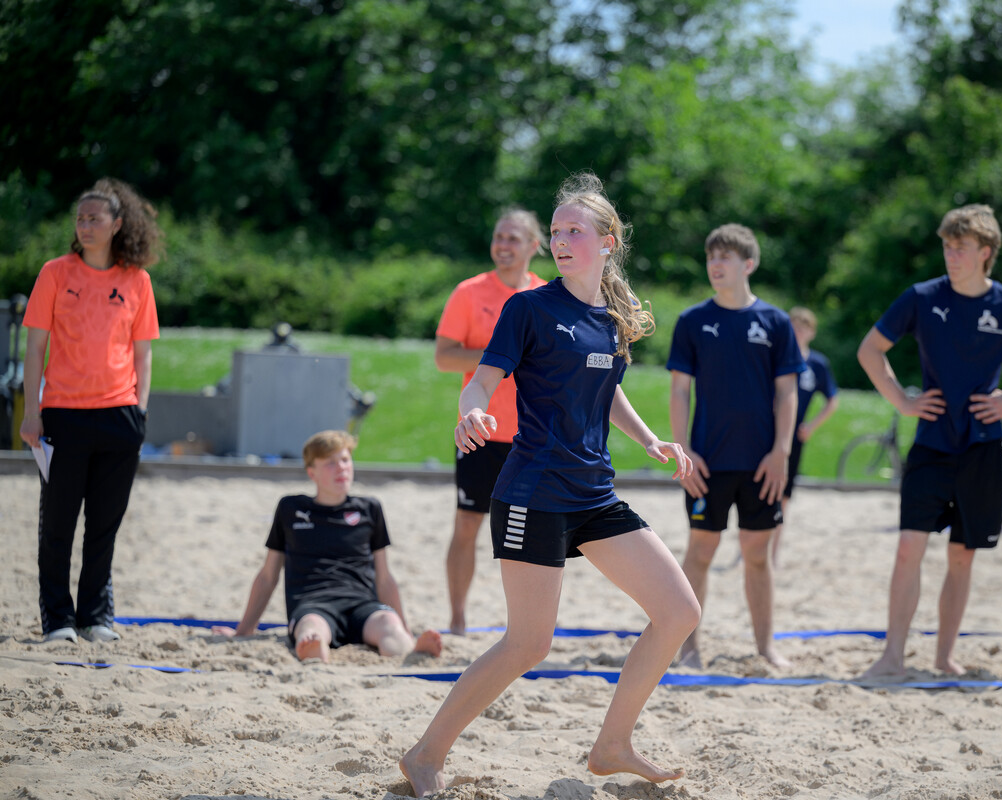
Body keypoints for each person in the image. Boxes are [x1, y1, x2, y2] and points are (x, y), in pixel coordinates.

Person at [400, 173, 700, 798]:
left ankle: (612, 746)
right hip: (533, 492)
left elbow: (606, 388)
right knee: (529, 643)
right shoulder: (529, 308)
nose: (561, 240)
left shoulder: (611, 317)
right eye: (557, 230)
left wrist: (652, 441)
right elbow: (482, 380)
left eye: (574, 231)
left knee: (679, 612)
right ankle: (425, 755)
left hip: (594, 492)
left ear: (608, 242)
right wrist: (471, 413)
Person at [856, 204, 1002, 679]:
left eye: (962, 247)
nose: (951, 255)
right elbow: (870, 350)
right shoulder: (921, 297)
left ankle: (944, 656)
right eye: (947, 246)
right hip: (931, 442)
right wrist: (902, 401)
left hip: (982, 446)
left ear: (985, 252)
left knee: (961, 554)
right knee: (908, 548)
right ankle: (892, 655)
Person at [20, 178, 162, 645]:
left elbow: (143, 354)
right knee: (58, 525)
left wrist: (140, 411)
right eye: (80, 218)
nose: (85, 226)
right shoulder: (54, 273)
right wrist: (32, 411)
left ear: (117, 224)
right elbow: (35, 348)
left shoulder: (137, 280)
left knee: (104, 525)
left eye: (94, 218)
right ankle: (58, 619)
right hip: (62, 414)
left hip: (120, 417)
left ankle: (96, 616)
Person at [667, 223, 804, 670]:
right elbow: (679, 391)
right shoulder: (692, 321)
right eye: (711, 256)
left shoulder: (775, 322)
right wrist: (684, 450)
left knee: (757, 556)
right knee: (700, 552)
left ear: (749, 264)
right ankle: (689, 649)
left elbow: (787, 393)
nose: (715, 264)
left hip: (761, 462)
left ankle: (765, 648)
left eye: (724, 256)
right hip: (707, 461)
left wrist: (781, 451)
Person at [212, 430, 442, 663]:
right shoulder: (291, 508)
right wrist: (244, 630)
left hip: (361, 605)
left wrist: (405, 627)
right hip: (313, 605)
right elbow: (267, 576)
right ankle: (314, 652)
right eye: (331, 463)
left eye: (345, 460)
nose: (341, 468)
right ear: (312, 472)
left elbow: (384, 578)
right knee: (312, 630)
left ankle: (411, 650)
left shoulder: (369, 509)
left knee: (389, 623)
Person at [435, 209, 547, 635]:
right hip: (479, 431)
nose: (503, 245)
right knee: (467, 524)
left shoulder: (546, 295)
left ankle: (523, 625)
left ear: (534, 246)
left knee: (530, 532)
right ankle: (457, 619)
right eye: (499, 236)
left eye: (513, 238)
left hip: (531, 434)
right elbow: (444, 356)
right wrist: (500, 358)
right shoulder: (469, 292)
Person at [776, 306, 840, 564]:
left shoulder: (816, 364)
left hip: (794, 436)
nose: (798, 332)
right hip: (767, 431)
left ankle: (774, 548)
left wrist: (811, 426)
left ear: (812, 332)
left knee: (784, 492)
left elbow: (832, 400)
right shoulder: (775, 355)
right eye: (794, 326)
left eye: (803, 328)